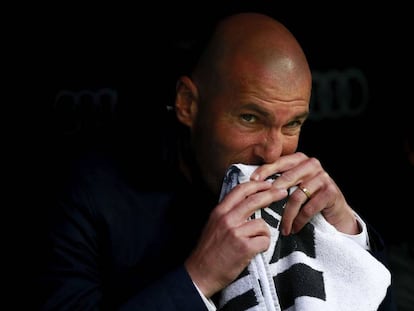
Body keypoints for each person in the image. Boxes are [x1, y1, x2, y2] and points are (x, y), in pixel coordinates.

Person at [36, 10, 396, 311]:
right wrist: (199, 278)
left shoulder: (300, 193)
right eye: (249, 119)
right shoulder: (90, 191)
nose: (272, 152)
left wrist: (346, 234)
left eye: (292, 124)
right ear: (188, 104)